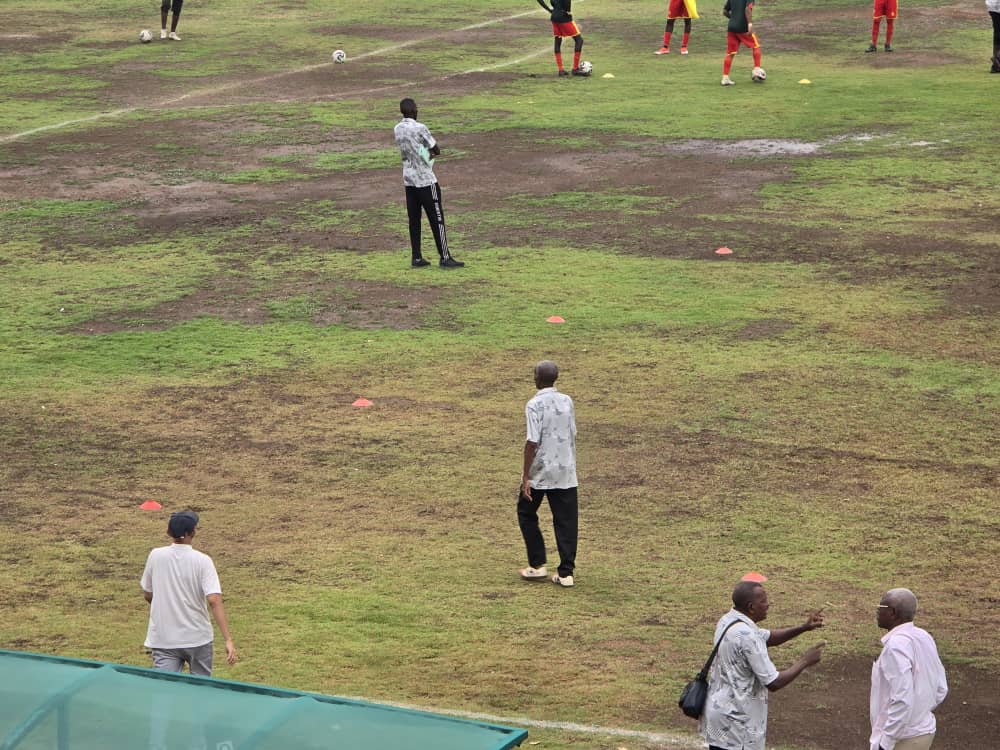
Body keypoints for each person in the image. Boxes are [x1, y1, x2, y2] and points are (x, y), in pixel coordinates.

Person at [701, 581, 826, 750]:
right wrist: (805, 661)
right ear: (751, 607)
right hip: (738, 728)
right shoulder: (747, 636)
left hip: (718, 717)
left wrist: (804, 628)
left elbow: (768, 637)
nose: (768, 605)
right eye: (764, 601)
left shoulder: (728, 620)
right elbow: (773, 682)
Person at [141, 511, 237, 676]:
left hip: (164, 639)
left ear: (168, 532)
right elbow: (214, 600)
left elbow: (148, 594)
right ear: (193, 532)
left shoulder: (155, 556)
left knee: (165, 690)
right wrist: (228, 639)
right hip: (198, 638)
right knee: (200, 690)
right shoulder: (203, 560)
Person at [518, 360, 579, 587]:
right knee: (566, 520)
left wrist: (526, 476)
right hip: (565, 470)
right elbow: (572, 432)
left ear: (538, 378)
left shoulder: (534, 404)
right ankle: (566, 573)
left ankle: (537, 564)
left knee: (526, 512)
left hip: (541, 470)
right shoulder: (567, 401)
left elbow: (532, 441)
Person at [870, 588, 948, 750]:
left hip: (903, 740)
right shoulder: (923, 636)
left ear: (892, 613)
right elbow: (941, 687)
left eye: (881, 607)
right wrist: (919, 712)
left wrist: (886, 742)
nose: (877, 611)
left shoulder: (895, 646)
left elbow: (902, 697)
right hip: (923, 732)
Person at [393, 98, 464, 269]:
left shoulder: (397, 129)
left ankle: (416, 257)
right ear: (414, 111)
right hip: (425, 180)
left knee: (414, 219)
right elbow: (436, 149)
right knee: (437, 218)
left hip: (409, 180)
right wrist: (427, 152)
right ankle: (445, 257)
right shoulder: (419, 127)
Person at [536, 0, 590, 77]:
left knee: (558, 41)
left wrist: (549, 10)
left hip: (554, 18)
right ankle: (575, 69)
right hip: (564, 17)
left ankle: (561, 70)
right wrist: (568, 11)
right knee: (579, 40)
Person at [721, 0, 763, 85]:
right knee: (756, 45)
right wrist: (750, 24)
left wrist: (733, 19)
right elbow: (747, 9)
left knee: (730, 53)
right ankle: (757, 70)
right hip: (742, 27)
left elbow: (725, 11)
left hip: (731, 27)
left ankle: (725, 78)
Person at [988, 0, 1000, 73]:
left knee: (997, 32)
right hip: (995, 5)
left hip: (992, 6)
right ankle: (996, 59)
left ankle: (996, 63)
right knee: (998, 32)